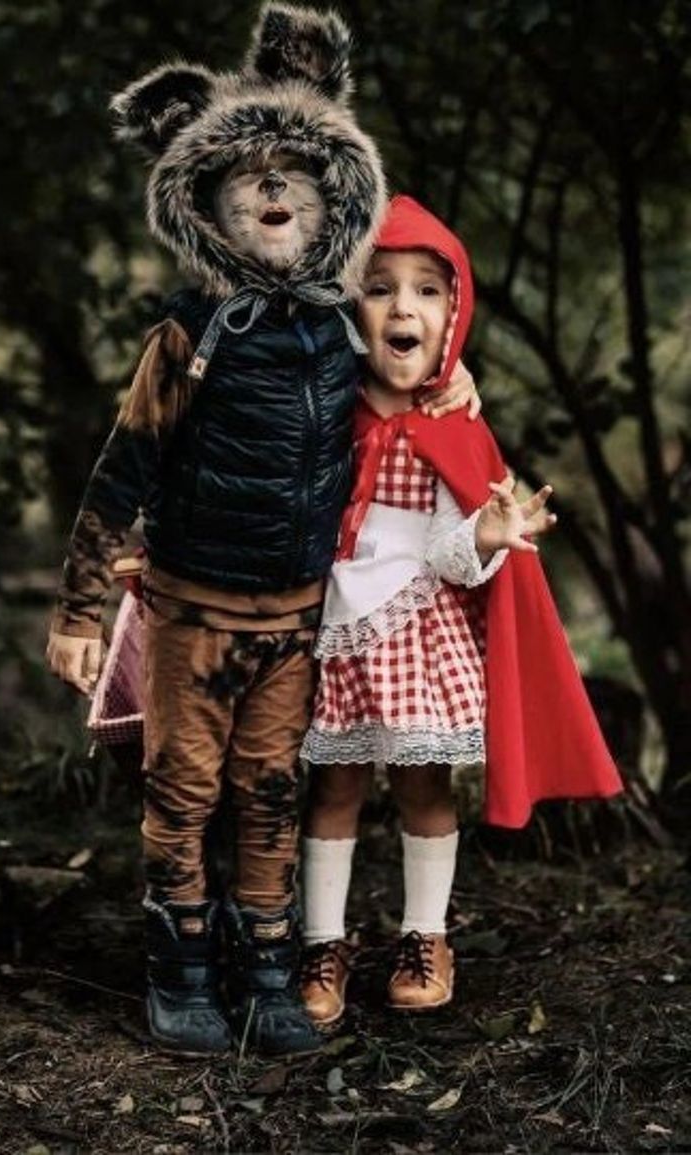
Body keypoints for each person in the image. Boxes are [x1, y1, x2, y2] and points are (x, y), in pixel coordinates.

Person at [45, 8, 478, 1059]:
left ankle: (272, 963)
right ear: (207, 204)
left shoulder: (340, 331)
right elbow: (124, 466)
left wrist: (456, 387)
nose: (274, 191)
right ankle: (180, 964)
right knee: (183, 787)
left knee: (272, 789)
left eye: (296, 172)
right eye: (247, 177)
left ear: (335, 196)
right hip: (196, 605)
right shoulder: (188, 335)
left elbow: (404, 394)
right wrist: (79, 608)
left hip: (294, 615)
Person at [299, 194, 623, 1027]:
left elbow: (452, 554)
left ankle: (424, 935)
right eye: (379, 288)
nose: (404, 306)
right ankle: (322, 942)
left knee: (423, 787)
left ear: (455, 314)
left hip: (414, 632)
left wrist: (487, 528)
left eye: (428, 291)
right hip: (335, 625)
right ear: (349, 307)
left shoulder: (456, 425)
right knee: (331, 788)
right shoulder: (324, 410)